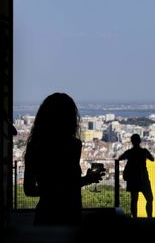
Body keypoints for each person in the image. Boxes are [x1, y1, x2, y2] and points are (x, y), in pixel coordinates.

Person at [23, 92, 104, 225]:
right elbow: (69, 185)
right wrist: (86, 180)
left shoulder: (36, 146)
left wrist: (50, 191)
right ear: (71, 119)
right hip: (71, 213)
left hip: (46, 213)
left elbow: (29, 190)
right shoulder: (74, 145)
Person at [118, 134, 154, 218]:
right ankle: (149, 217)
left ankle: (134, 218)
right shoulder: (144, 151)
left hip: (132, 178)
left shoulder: (129, 152)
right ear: (140, 141)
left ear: (132, 142)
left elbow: (120, 158)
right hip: (143, 178)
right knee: (149, 199)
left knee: (134, 200)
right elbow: (152, 159)